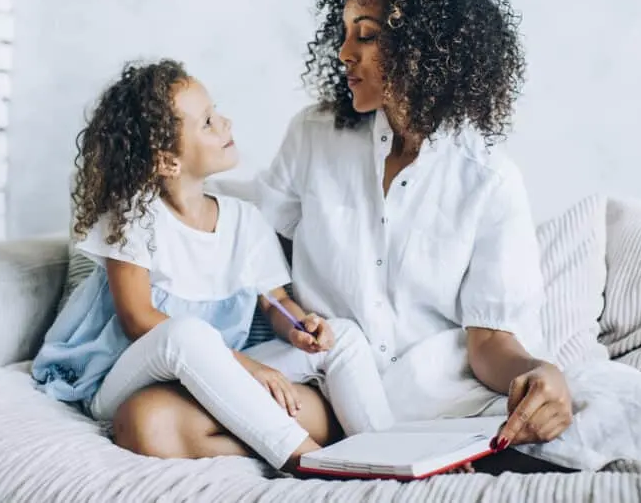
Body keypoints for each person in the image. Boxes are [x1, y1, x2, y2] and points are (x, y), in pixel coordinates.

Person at [112, 0, 573, 461]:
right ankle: (349, 456)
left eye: (367, 36)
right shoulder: (315, 134)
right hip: (322, 386)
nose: (344, 52)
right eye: (345, 32)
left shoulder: (489, 179)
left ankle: (386, 454)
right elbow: (259, 255)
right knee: (146, 419)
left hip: (429, 397)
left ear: (426, 51)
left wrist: (538, 372)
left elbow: (490, 345)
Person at [30, 59, 394, 472]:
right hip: (127, 375)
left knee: (343, 336)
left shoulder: (245, 220)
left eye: (215, 112)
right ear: (167, 161)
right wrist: (247, 367)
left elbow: (273, 302)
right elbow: (138, 320)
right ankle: (304, 457)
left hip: (219, 375)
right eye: (206, 122)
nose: (225, 123)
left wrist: (299, 327)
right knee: (185, 332)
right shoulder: (134, 218)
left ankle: (393, 453)